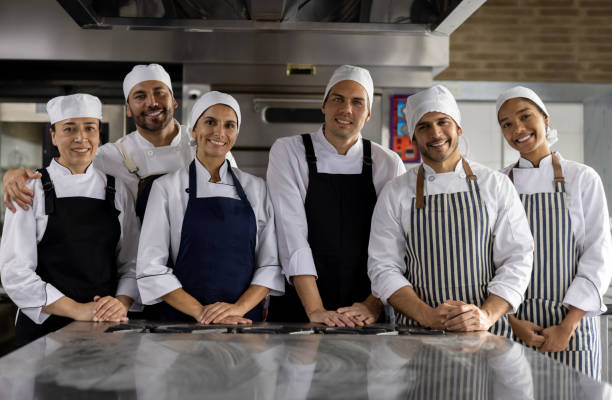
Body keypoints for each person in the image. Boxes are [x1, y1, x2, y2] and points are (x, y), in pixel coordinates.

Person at [368, 85, 534, 337]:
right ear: (413, 137)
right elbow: (383, 268)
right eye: (423, 126)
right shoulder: (396, 192)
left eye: (442, 122)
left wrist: (485, 315)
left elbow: (517, 258)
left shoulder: (495, 184)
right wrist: (427, 315)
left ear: (458, 128)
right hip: (418, 335)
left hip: (485, 334)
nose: (435, 133)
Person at [3, 63, 235, 221]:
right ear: (128, 110)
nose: (152, 103)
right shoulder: (108, 157)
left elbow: (233, 208)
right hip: (136, 276)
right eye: (140, 96)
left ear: (174, 101)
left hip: (197, 267)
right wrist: (14, 175)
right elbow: (64, 180)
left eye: (159, 93)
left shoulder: (209, 146)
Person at [266, 65, 405, 326]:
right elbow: (291, 235)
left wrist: (371, 306)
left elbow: (393, 246)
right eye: (338, 99)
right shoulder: (288, 151)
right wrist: (316, 310)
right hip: (300, 305)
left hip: (365, 309)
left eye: (357, 102)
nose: (346, 109)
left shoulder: (387, 162)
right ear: (324, 105)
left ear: (368, 114)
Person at [0, 94, 140, 347]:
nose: (80, 137)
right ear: (53, 136)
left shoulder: (117, 190)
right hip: (42, 332)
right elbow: (15, 273)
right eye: (69, 129)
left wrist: (120, 302)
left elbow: (132, 264)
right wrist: (78, 310)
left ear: (99, 134)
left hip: (105, 328)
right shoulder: (29, 188)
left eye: (90, 128)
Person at [136, 91, 283, 323]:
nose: (219, 132)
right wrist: (201, 312)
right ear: (194, 130)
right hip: (182, 327)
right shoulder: (166, 188)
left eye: (229, 125)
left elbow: (270, 264)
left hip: (243, 323)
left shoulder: (256, 188)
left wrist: (236, 310)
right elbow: (151, 268)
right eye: (210, 122)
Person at [496, 86, 612, 378]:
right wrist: (511, 321)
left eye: (525, 117)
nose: (517, 129)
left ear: (545, 118)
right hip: (515, 327)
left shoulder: (583, 178)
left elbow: (597, 255)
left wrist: (567, 325)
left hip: (571, 328)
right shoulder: (498, 184)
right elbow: (488, 259)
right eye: (507, 124)